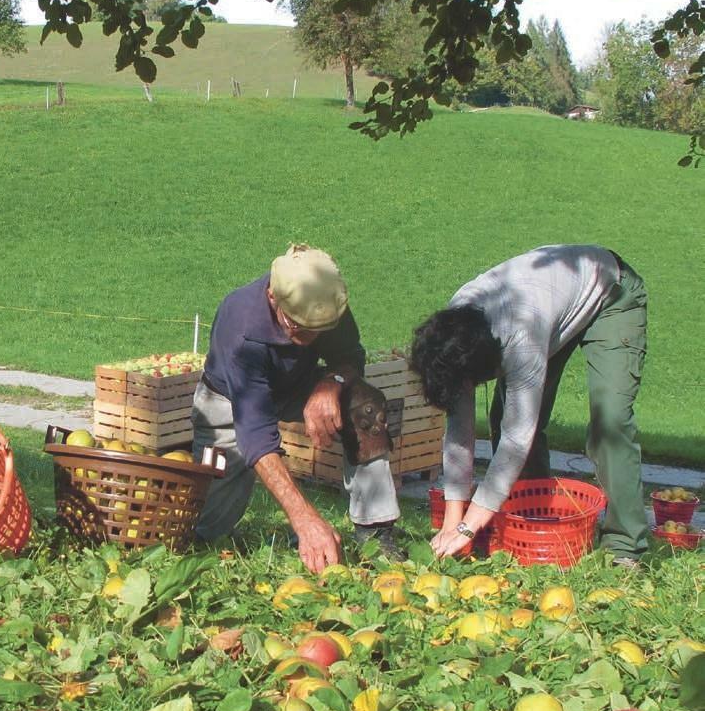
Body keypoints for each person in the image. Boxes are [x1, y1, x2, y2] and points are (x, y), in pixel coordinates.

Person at [409, 244, 648, 565]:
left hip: (611, 293)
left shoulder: (522, 337)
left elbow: (516, 438)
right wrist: (454, 519)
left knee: (610, 422)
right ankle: (535, 525)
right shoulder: (452, 334)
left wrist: (470, 527)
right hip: (552, 301)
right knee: (502, 416)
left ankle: (624, 546)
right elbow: (459, 430)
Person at [192, 244, 402, 573]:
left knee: (365, 405)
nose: (307, 337)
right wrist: (306, 521)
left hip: (297, 385)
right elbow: (257, 438)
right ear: (274, 297)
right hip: (229, 400)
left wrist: (331, 382)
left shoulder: (326, 298)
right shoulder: (243, 329)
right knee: (206, 530)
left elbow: (351, 356)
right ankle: (206, 535)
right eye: (297, 327)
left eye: (318, 330)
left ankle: (375, 532)